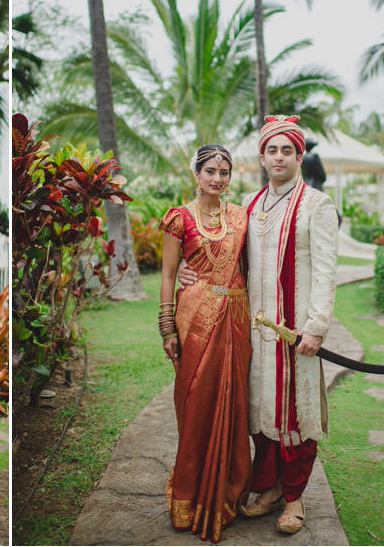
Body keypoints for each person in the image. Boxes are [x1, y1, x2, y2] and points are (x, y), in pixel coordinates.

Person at [238, 116, 337, 535]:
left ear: (299, 157)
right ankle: (270, 488)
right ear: (262, 157)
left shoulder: (317, 205)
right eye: (271, 150)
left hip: (295, 333)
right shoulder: (249, 204)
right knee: (261, 410)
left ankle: (294, 499)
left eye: (287, 150)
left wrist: (315, 327)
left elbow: (326, 271)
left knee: (296, 413)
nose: (278, 157)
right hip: (255, 333)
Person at [157, 144, 252, 543]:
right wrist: (166, 325)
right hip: (195, 318)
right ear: (196, 174)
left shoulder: (240, 216)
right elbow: (166, 275)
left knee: (233, 406)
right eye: (210, 170)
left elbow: (249, 266)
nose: (217, 178)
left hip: (236, 318)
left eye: (224, 172)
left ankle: (227, 493)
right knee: (196, 403)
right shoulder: (179, 218)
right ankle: (190, 495)